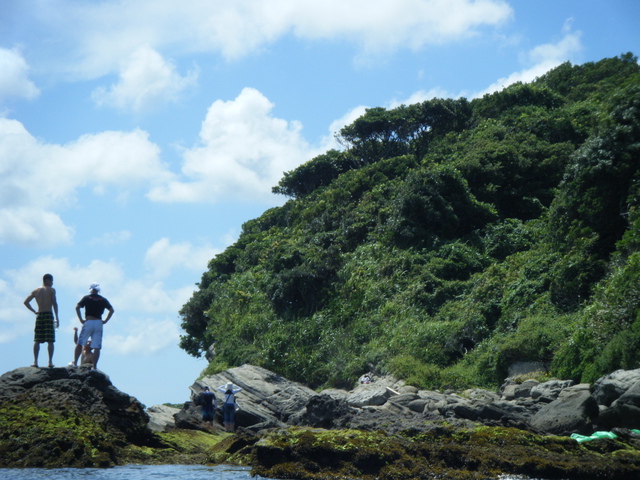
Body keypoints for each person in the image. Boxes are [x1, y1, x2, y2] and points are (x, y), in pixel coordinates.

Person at [72, 283, 114, 370]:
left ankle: (75, 362)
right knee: (97, 347)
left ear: (91, 290)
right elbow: (111, 310)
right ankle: (94, 366)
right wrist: (105, 320)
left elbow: (77, 307)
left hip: (89, 321)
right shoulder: (103, 299)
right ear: (98, 290)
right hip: (98, 322)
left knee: (80, 343)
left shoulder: (87, 298)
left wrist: (81, 319)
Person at [24, 273, 59, 368]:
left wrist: (34, 311)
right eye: (51, 280)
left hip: (39, 315)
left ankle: (35, 362)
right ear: (47, 280)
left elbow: (26, 302)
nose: (52, 283)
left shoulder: (36, 291)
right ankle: (50, 362)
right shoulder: (51, 290)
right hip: (48, 314)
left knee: (37, 339)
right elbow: (54, 303)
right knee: (50, 340)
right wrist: (57, 317)